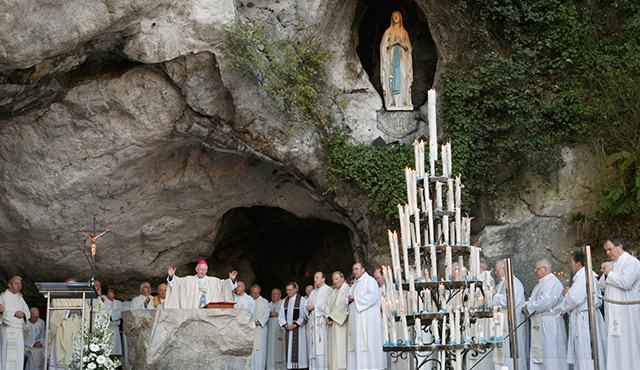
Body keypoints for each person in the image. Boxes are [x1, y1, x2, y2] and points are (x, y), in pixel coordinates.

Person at [597, 236, 640, 369]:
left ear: (620, 247)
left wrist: (609, 274)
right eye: (606, 250)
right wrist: (605, 274)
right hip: (614, 312)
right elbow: (601, 286)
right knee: (614, 345)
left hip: (627, 312)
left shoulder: (631, 262)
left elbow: (626, 283)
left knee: (628, 343)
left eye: (610, 249)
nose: (608, 253)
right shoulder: (614, 263)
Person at [560, 250, 606, 370]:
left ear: (579, 264)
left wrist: (567, 294)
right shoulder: (585, 276)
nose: (570, 265)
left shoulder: (582, 277)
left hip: (585, 319)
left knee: (585, 350)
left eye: (571, 262)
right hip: (586, 315)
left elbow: (574, 299)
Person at [523, 259, 568, 370]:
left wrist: (528, 307)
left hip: (550, 323)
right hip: (541, 322)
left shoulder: (552, 282)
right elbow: (533, 299)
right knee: (542, 353)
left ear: (545, 269)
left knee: (550, 353)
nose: (535, 271)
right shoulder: (541, 283)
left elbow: (545, 302)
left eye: (536, 268)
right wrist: (526, 305)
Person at [346, 263, 385, 369]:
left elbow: (372, 297)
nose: (355, 271)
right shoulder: (354, 284)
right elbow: (349, 299)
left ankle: (371, 366)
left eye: (357, 269)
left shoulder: (370, 281)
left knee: (368, 342)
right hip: (356, 320)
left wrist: (356, 298)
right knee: (357, 343)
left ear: (363, 269)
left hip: (368, 320)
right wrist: (349, 300)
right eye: (353, 269)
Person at [492, 259, 529, 370]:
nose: (495, 273)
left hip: (511, 325)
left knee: (513, 355)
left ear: (504, 269)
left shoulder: (513, 282)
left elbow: (510, 301)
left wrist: (494, 296)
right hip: (502, 326)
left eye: (497, 270)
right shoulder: (501, 283)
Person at [48, 278, 89, 369]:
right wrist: (69, 311)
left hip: (76, 330)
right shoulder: (58, 297)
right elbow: (53, 315)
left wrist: (80, 311)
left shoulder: (80, 298)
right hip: (62, 332)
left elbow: (86, 313)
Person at [165, 260, 238, 308]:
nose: (203, 272)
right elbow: (176, 285)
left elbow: (226, 286)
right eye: (201, 269)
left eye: (205, 270)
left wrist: (231, 280)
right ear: (196, 269)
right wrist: (171, 276)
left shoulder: (214, 281)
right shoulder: (187, 280)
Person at [380, 11, 413, 111]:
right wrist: (393, 43)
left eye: (397, 16)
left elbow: (409, 48)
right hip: (391, 60)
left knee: (403, 77)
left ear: (401, 18)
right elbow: (383, 46)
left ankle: (404, 100)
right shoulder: (388, 32)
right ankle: (393, 101)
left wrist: (402, 44)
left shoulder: (404, 32)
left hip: (402, 59)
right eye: (394, 16)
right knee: (391, 78)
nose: (395, 18)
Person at [0, 276, 30, 370]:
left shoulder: (20, 297)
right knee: (6, 357)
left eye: (20, 284)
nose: (19, 286)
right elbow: (1, 312)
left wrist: (24, 314)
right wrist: (14, 314)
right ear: (10, 285)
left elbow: (27, 311)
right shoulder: (3, 296)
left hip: (18, 332)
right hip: (8, 329)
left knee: (18, 356)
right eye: (16, 284)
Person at [305, 272, 333, 370]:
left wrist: (314, 307)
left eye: (317, 277)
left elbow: (328, 305)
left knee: (321, 351)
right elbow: (307, 304)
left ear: (323, 278)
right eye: (314, 277)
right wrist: (307, 308)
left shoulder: (329, 290)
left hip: (321, 324)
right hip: (312, 325)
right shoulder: (313, 292)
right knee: (313, 352)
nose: (315, 279)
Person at [278, 282, 308, 369]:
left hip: (299, 331)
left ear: (296, 289)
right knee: (288, 352)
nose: (288, 292)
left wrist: (295, 325)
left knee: (299, 350)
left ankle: (301, 366)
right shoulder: (285, 301)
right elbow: (281, 315)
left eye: (290, 290)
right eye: (287, 290)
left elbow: (304, 314)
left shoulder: (302, 300)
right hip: (288, 330)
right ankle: (290, 366)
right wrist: (285, 325)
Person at [325, 271, 349, 370]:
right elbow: (328, 306)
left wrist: (332, 317)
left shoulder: (347, 289)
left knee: (341, 346)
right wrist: (327, 317)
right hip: (333, 324)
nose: (334, 281)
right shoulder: (334, 292)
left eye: (337, 279)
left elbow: (344, 305)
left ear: (342, 279)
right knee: (334, 348)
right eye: (333, 279)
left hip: (341, 324)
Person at [250, 284, 270, 370]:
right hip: (249, 329)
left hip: (261, 329)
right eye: (254, 293)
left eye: (257, 293)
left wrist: (259, 322)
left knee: (260, 351)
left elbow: (266, 313)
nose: (255, 295)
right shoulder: (247, 300)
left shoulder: (264, 302)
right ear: (251, 292)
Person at [266, 288, 284, 370]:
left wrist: (277, 314)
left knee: (279, 351)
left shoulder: (283, 304)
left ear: (280, 295)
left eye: (276, 294)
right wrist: (269, 314)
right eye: (272, 294)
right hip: (270, 333)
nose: (274, 296)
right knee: (270, 350)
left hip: (279, 331)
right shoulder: (268, 305)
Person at [105, 289, 123, 358]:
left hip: (115, 328)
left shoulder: (118, 303)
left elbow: (119, 314)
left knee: (115, 347)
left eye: (111, 293)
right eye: (109, 293)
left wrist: (112, 315)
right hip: (107, 328)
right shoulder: (104, 302)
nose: (110, 295)